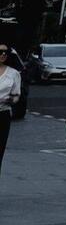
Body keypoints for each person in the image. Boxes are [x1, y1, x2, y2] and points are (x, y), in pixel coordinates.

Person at [0, 44, 22, 175]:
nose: (3, 54)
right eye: (0, 52)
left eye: (5, 52)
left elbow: (16, 96)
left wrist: (6, 100)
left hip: (3, 115)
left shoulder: (13, 74)